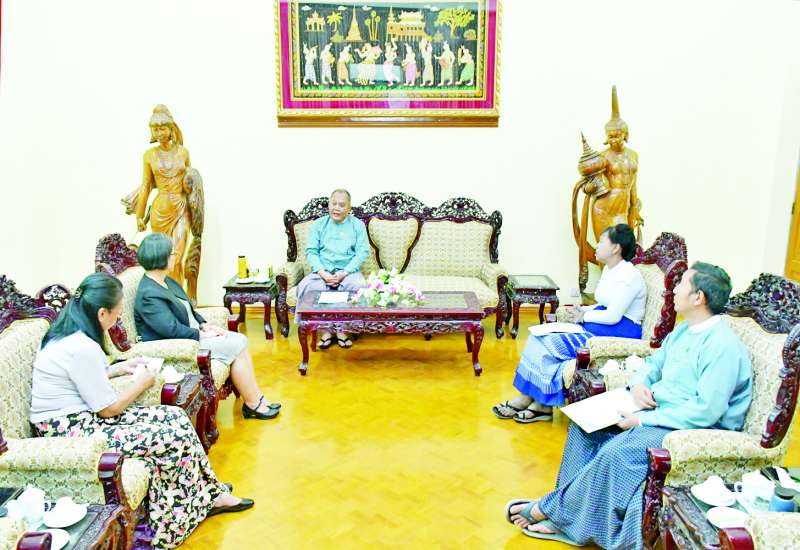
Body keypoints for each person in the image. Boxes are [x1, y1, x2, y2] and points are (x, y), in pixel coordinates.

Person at [505, 262, 752, 549]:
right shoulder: (685, 330)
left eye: (682, 283)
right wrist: (639, 384)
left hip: (686, 428)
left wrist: (643, 420)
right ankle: (564, 513)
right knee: (584, 426)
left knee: (617, 453)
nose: (674, 289)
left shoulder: (722, 346)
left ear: (699, 297)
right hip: (655, 409)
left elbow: (706, 411)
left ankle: (551, 511)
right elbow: (653, 364)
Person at [30, 273, 254, 550]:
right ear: (102, 313)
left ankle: (209, 495)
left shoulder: (68, 333)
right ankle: (173, 528)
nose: (117, 320)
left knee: (174, 416)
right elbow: (108, 410)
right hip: (74, 432)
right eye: (116, 313)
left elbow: (81, 378)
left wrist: (118, 368)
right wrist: (141, 384)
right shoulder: (80, 346)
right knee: (169, 437)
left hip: (82, 418)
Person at [493, 224, 646, 422]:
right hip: (599, 325)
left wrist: (583, 317)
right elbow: (604, 305)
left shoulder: (629, 276)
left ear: (616, 248)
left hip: (617, 332)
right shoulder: (610, 269)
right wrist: (584, 310)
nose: (596, 246)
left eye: (601, 241)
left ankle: (540, 405)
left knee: (549, 345)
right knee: (537, 338)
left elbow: (613, 316)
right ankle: (533, 400)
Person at [134, 233, 280, 420]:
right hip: (182, 344)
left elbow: (189, 310)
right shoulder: (148, 294)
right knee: (237, 343)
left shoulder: (165, 280)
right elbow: (171, 330)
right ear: (160, 258)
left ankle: (256, 399)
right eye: (172, 254)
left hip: (194, 334)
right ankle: (253, 404)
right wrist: (202, 335)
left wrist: (205, 325)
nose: (175, 257)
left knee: (240, 341)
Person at [295, 189, 369, 349]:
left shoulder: (357, 225)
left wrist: (344, 272)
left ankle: (343, 330)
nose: (337, 208)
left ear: (349, 208)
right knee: (308, 287)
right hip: (322, 271)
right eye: (333, 204)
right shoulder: (319, 225)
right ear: (328, 205)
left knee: (358, 287)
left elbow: (362, 252)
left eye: (342, 205)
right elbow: (311, 252)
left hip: (348, 271)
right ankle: (325, 331)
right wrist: (322, 273)